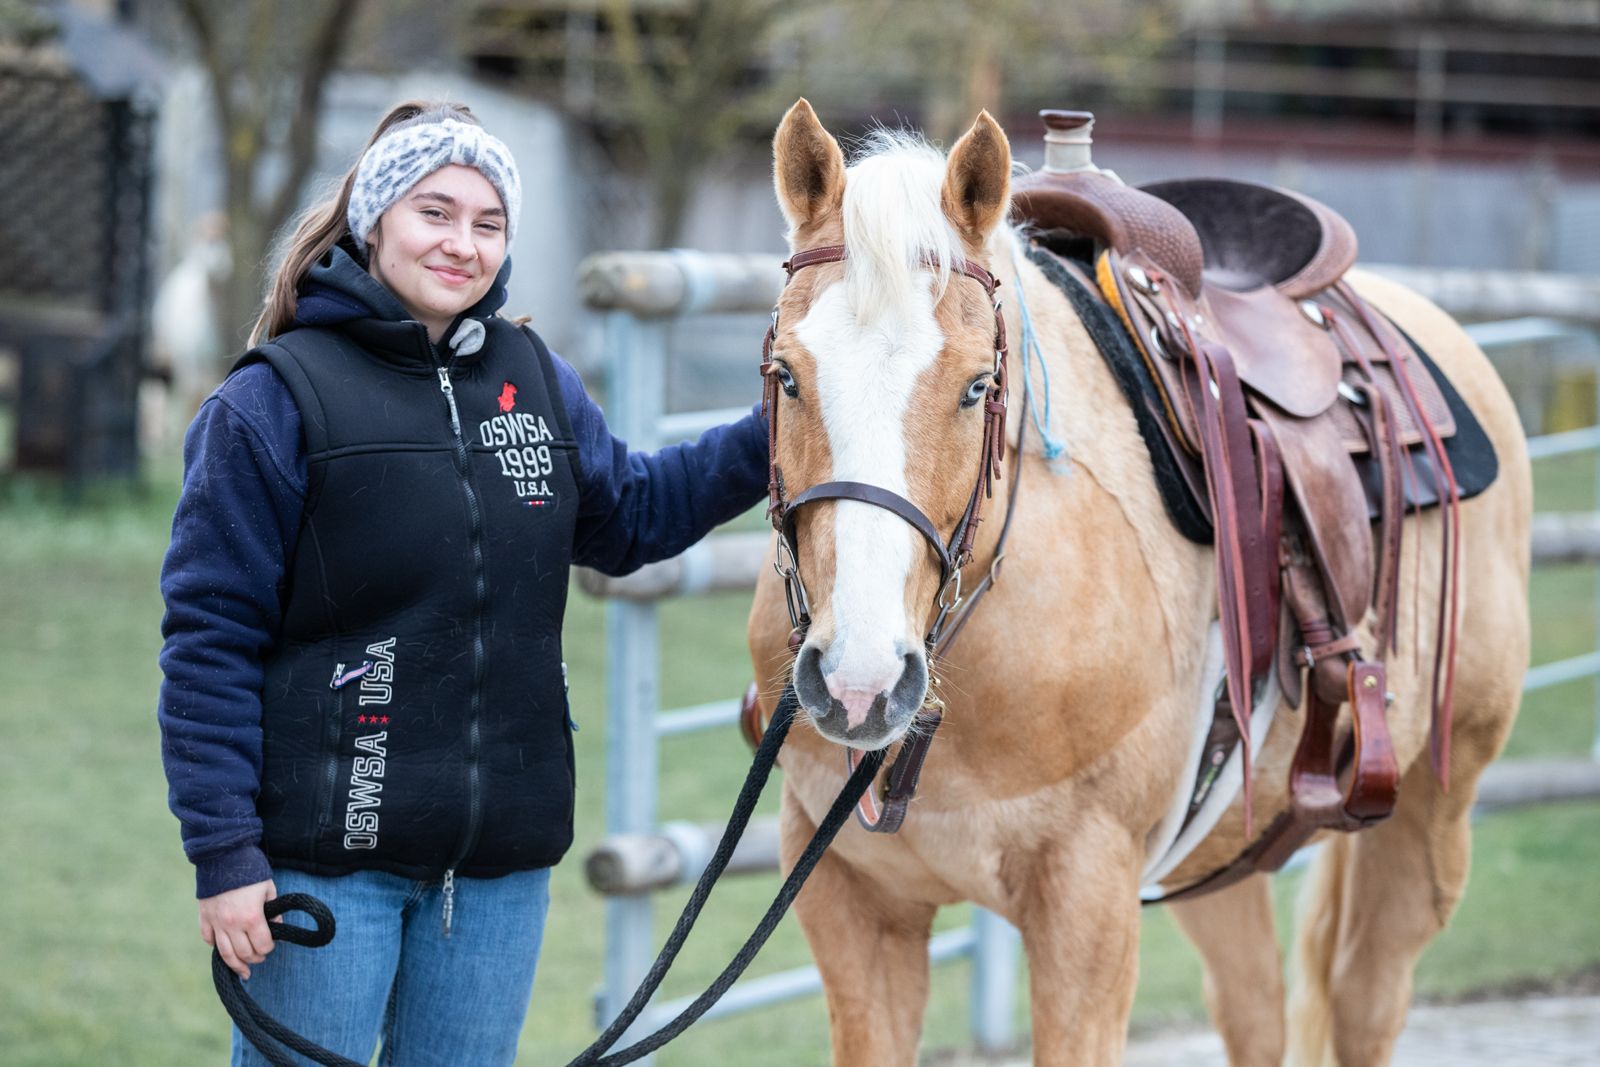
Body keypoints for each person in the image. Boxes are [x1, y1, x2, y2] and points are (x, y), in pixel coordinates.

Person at [157, 100, 768, 1065]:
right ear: (375, 219)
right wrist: (226, 854)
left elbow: (634, 516)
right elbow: (208, 641)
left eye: (488, 224)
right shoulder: (271, 401)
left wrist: (785, 416)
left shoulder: (538, 379)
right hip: (326, 863)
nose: (461, 244)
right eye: (434, 213)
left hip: (494, 874)